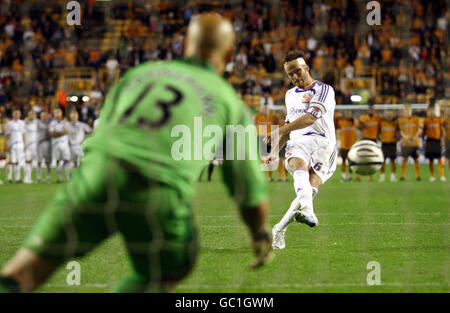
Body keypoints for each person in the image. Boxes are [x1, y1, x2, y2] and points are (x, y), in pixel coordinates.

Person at [0, 13, 272, 293]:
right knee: (176, 264)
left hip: (94, 177)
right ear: (228, 54)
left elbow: (101, 134)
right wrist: (259, 233)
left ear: (185, 46)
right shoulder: (229, 101)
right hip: (156, 189)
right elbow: (248, 191)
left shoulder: (139, 74)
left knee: (26, 270)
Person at [267, 50, 337, 250]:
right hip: (299, 142)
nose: (295, 77)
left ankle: (279, 229)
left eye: (298, 71)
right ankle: (308, 212)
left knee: (309, 190)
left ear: (306, 67)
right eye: (291, 74)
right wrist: (272, 153)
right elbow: (290, 128)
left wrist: (279, 131)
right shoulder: (289, 95)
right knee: (298, 165)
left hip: (324, 145)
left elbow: (310, 118)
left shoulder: (324, 90)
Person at [357, 104, 381, 181]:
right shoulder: (363, 118)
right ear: (367, 111)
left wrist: (379, 136)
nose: (371, 111)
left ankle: (370, 177)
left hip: (373, 140)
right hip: (365, 139)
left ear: (374, 111)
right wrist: (361, 126)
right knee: (361, 158)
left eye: (372, 110)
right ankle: (359, 176)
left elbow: (380, 128)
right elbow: (359, 127)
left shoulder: (377, 118)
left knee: (371, 159)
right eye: (369, 110)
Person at [254, 105, 277, 182]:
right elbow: (253, 123)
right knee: (259, 158)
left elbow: (275, 126)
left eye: (266, 108)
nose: (265, 110)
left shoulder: (272, 117)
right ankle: (259, 176)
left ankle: (269, 176)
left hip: (269, 138)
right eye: (264, 108)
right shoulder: (257, 116)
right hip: (260, 137)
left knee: (269, 157)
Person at [398, 105, 422, 181]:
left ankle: (418, 176)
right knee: (404, 160)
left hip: (414, 143)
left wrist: (414, 137)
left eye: (408, 110)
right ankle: (403, 176)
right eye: (406, 111)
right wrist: (407, 138)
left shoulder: (416, 119)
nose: (407, 112)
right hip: (405, 143)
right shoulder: (401, 120)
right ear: (404, 112)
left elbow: (420, 129)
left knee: (416, 159)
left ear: (411, 111)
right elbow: (401, 132)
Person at [423, 106, 446, 181]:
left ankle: (442, 175)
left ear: (434, 111)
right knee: (430, 159)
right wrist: (424, 141)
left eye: (432, 111)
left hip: (437, 140)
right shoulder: (426, 120)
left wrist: (442, 140)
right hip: (429, 141)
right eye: (430, 111)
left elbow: (442, 130)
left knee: (439, 158)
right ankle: (432, 176)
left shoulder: (439, 119)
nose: (431, 112)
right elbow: (424, 132)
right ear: (428, 112)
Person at [49, 107, 71, 183]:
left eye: (58, 112)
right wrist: (62, 132)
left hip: (65, 144)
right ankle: (60, 178)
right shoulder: (52, 123)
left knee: (67, 160)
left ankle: (68, 178)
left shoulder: (66, 122)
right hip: (56, 144)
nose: (57, 114)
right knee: (58, 161)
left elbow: (68, 132)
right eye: (55, 113)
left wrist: (57, 133)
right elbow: (52, 134)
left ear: (61, 113)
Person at [336, 110, 358, 182]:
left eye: (349, 114)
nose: (348, 115)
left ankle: (350, 177)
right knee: (343, 161)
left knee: (351, 163)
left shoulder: (353, 123)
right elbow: (336, 123)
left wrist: (353, 118)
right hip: (343, 146)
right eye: (346, 114)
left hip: (352, 146)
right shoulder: (341, 122)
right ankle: (343, 176)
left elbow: (358, 123)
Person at [4, 109, 25, 183]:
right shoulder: (9, 123)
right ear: (12, 114)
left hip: (20, 144)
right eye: (15, 113)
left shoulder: (23, 123)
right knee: (11, 162)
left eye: (18, 113)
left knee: (18, 162)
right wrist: (6, 145)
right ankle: (9, 178)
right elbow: (7, 135)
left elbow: (23, 134)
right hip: (12, 144)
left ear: (20, 114)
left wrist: (24, 145)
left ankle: (17, 178)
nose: (16, 114)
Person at [379, 110, 398, 182]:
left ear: (393, 115)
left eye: (390, 114)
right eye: (387, 114)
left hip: (393, 144)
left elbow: (398, 132)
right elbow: (378, 132)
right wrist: (381, 139)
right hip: (384, 144)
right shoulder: (382, 123)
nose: (389, 116)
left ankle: (393, 177)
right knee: (383, 161)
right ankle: (382, 177)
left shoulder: (395, 123)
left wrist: (397, 138)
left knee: (393, 161)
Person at [24, 110, 39, 184]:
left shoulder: (37, 122)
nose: (32, 116)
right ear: (28, 115)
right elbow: (23, 133)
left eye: (33, 114)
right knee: (28, 161)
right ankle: (26, 177)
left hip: (36, 145)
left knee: (33, 162)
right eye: (30, 114)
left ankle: (29, 177)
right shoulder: (25, 122)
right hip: (28, 145)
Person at [37, 111, 52, 183]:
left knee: (48, 162)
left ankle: (48, 177)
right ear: (40, 116)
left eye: (45, 115)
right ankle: (39, 177)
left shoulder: (50, 123)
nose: (44, 117)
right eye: (42, 115)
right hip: (40, 143)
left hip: (48, 143)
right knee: (39, 161)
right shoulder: (37, 122)